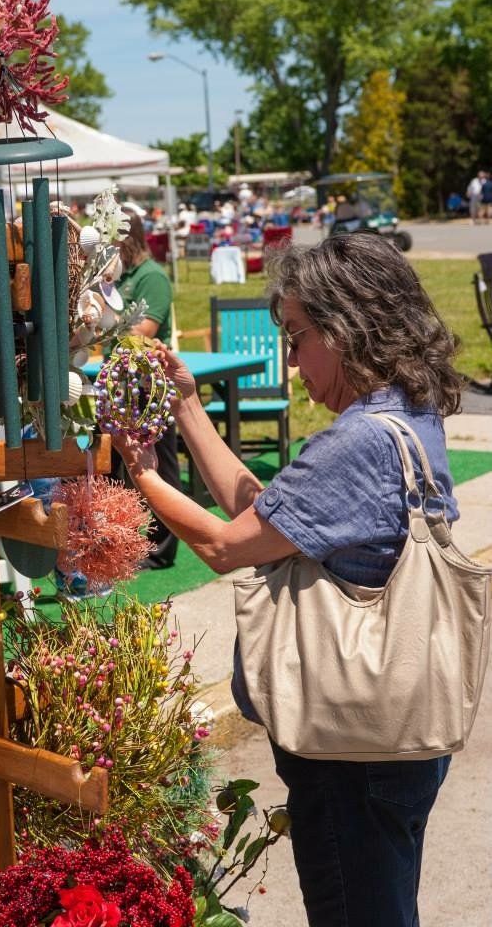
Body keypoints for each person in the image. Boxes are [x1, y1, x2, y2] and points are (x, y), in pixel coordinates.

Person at [112, 232, 462, 926]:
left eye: (297, 338)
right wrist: (186, 404)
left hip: (347, 752)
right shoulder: (404, 417)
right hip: (397, 730)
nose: (291, 360)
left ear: (348, 328)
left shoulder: (357, 443)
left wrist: (141, 467)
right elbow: (263, 511)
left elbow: (221, 543)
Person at [113, 209, 181, 569]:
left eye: (113, 242)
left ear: (128, 239)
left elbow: (146, 330)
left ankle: (162, 548)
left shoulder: (151, 277)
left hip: (150, 382)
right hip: (123, 382)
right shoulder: (123, 276)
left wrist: (105, 328)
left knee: (161, 467)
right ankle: (125, 544)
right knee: (120, 465)